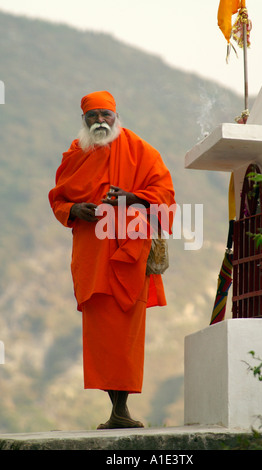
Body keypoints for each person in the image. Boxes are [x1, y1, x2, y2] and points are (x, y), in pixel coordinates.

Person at [48, 91, 175, 429]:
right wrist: (75, 209)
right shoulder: (76, 156)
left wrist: (132, 197)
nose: (100, 121)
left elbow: (165, 195)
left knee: (128, 334)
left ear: (116, 116)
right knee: (102, 336)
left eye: (105, 115)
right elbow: (58, 199)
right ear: (84, 120)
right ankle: (115, 410)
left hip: (130, 256)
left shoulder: (141, 151)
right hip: (93, 258)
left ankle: (122, 410)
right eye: (93, 116)